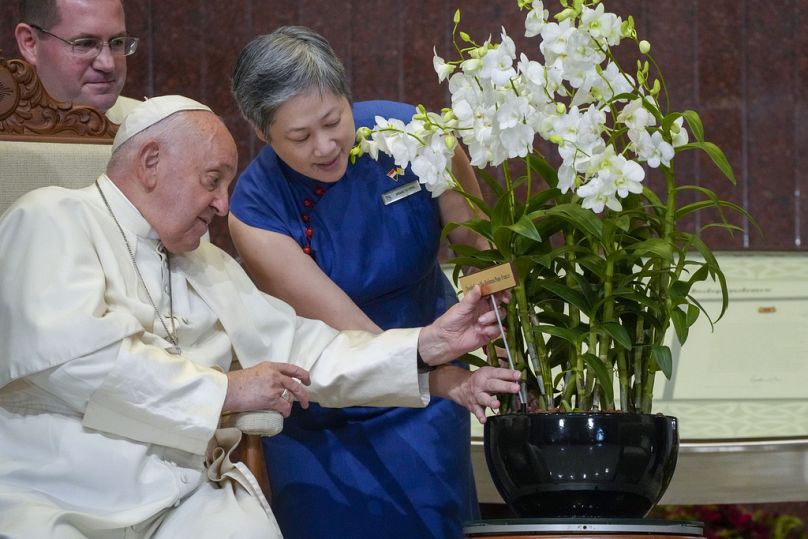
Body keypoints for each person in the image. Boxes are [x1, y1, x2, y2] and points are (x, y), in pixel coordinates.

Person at [0, 95, 521, 539]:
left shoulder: (206, 263)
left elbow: (301, 346)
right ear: (151, 162)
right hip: (61, 491)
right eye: (212, 180)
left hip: (185, 499)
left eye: (227, 184)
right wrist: (227, 392)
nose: (223, 205)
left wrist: (423, 347)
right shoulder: (50, 217)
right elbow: (77, 362)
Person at [229, 26, 497, 539]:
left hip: (430, 398)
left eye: (334, 120)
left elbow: (477, 245)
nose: (326, 146)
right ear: (262, 133)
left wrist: (500, 330)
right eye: (300, 137)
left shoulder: (413, 134)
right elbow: (348, 333)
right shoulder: (255, 210)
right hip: (328, 402)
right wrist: (443, 379)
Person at [14, 0, 140, 123]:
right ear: (30, 43)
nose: (108, 65)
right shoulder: (6, 135)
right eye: (85, 43)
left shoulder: (148, 123)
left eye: (117, 42)